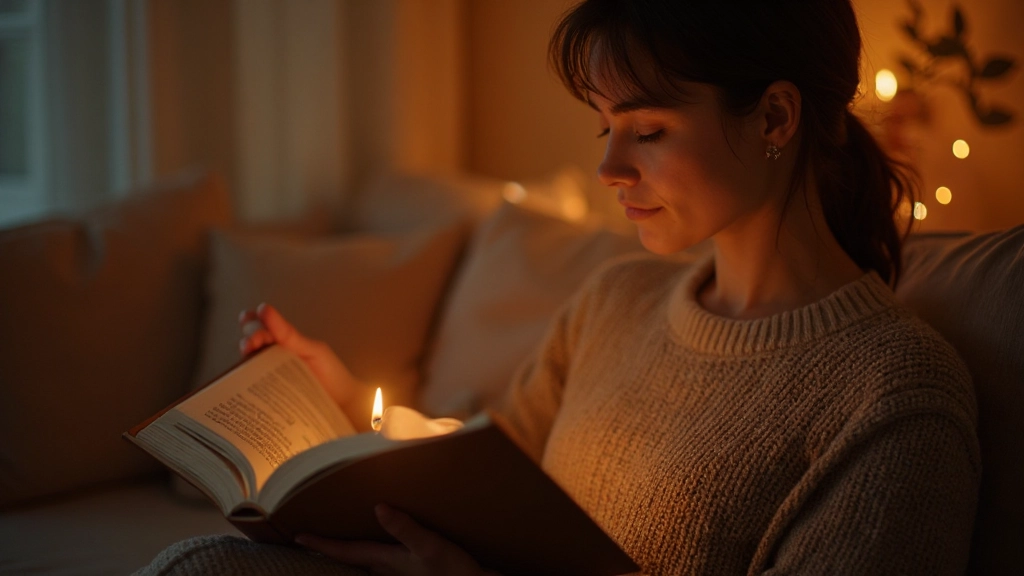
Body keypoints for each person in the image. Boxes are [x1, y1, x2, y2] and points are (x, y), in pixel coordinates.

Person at [139, 1, 979, 574]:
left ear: (774, 119)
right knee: (204, 564)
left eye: (647, 130)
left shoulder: (894, 396)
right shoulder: (614, 301)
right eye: (606, 128)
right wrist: (348, 405)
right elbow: (495, 475)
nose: (609, 169)